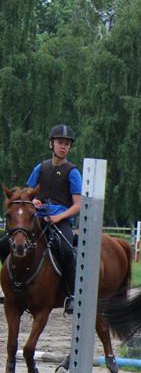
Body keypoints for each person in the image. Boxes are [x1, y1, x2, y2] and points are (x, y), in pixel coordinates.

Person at [0, 125, 83, 313]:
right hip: (37, 217)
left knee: (67, 251)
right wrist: (34, 201)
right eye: (60, 143)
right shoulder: (40, 167)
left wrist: (58, 216)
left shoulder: (73, 172)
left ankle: (72, 295)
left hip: (60, 220)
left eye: (67, 144)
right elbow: (26, 193)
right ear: (51, 144)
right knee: (4, 244)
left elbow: (78, 204)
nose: (63, 147)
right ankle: (11, 285)